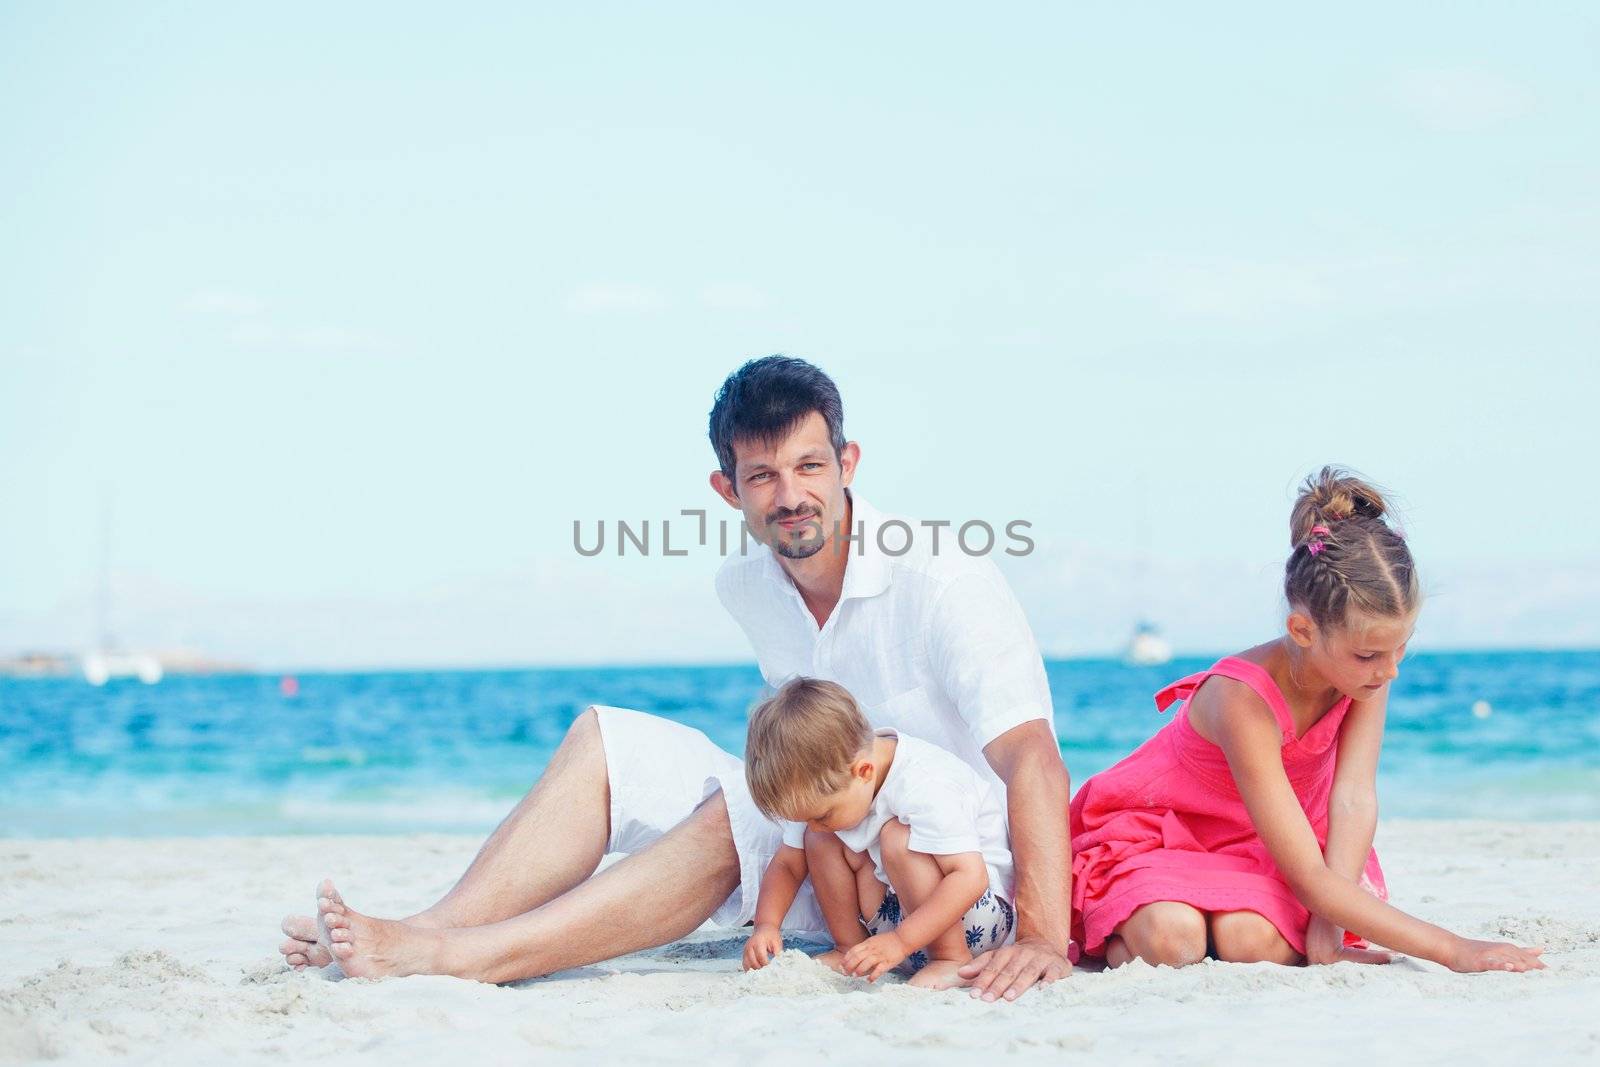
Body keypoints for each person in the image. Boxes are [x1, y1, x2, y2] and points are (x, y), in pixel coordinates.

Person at [287, 356, 1076, 1001]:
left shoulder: (941, 575)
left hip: (945, 883)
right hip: (837, 850)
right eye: (762, 475)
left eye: (809, 465)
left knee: (738, 807)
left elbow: (1033, 755)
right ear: (727, 490)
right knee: (606, 738)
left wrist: (1042, 934)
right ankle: (431, 930)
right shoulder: (746, 587)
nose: (791, 495)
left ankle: (466, 958)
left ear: (848, 463)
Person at [1069, 467, 1546, 973]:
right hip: (1162, 835)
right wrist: (1456, 950)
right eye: (1368, 655)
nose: (1389, 670)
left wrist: (1329, 919)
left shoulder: (1369, 672)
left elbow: (1353, 796)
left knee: (1249, 940)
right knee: (1174, 938)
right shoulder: (1242, 700)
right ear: (1303, 629)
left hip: (1268, 846)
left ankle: (1213, 925)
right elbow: (1308, 879)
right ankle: (1123, 934)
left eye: (1401, 646)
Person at [740, 678, 1015, 989]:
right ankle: (849, 948)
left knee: (899, 838)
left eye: (822, 815)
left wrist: (900, 941)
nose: (814, 824)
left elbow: (969, 878)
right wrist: (766, 925)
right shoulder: (822, 779)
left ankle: (950, 960)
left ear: (864, 771)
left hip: (973, 920)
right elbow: (789, 864)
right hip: (901, 928)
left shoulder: (924, 784)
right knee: (820, 839)